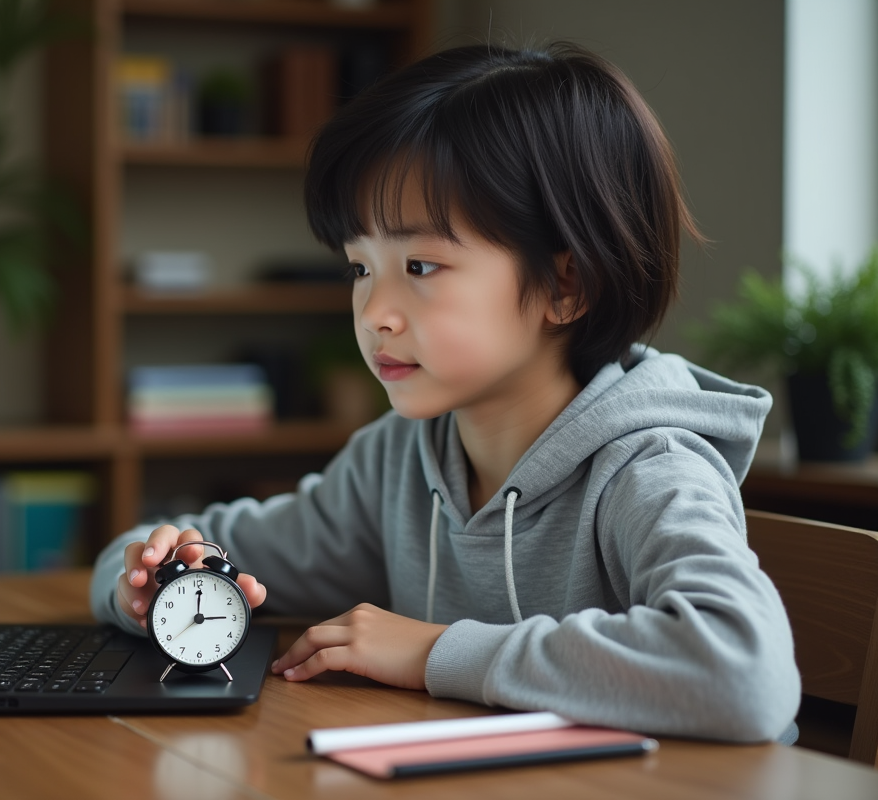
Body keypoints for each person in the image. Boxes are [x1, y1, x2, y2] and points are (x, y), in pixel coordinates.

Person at [90, 42, 801, 742]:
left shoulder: (647, 469)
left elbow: (745, 675)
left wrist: (433, 651)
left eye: (421, 265)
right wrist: (144, 585)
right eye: (360, 268)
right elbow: (212, 550)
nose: (375, 313)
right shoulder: (399, 459)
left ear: (565, 285)